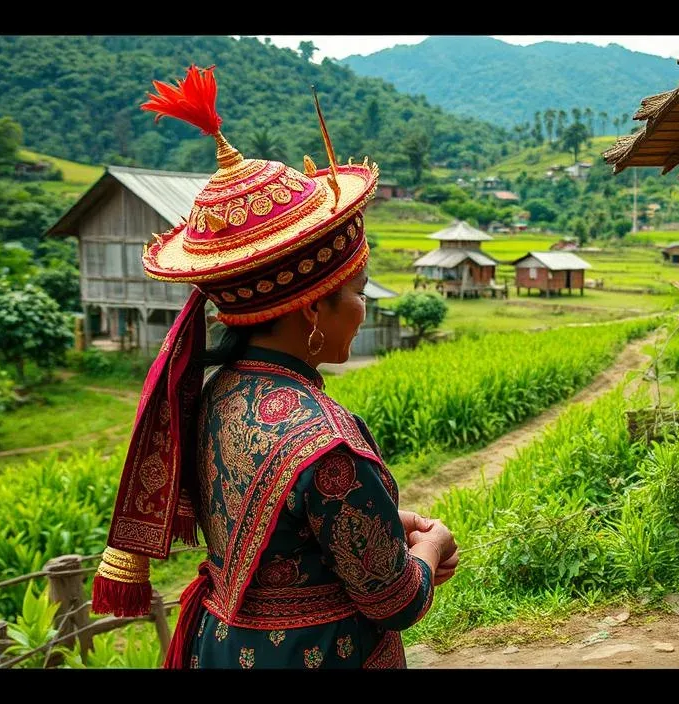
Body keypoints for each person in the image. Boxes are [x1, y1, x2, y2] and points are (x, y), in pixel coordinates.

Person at [90, 65, 458, 669]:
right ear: (313, 306)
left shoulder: (215, 397)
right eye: (358, 289)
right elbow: (393, 600)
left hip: (226, 646)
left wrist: (382, 521)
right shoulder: (327, 444)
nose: (364, 309)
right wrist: (431, 546)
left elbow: (281, 534)